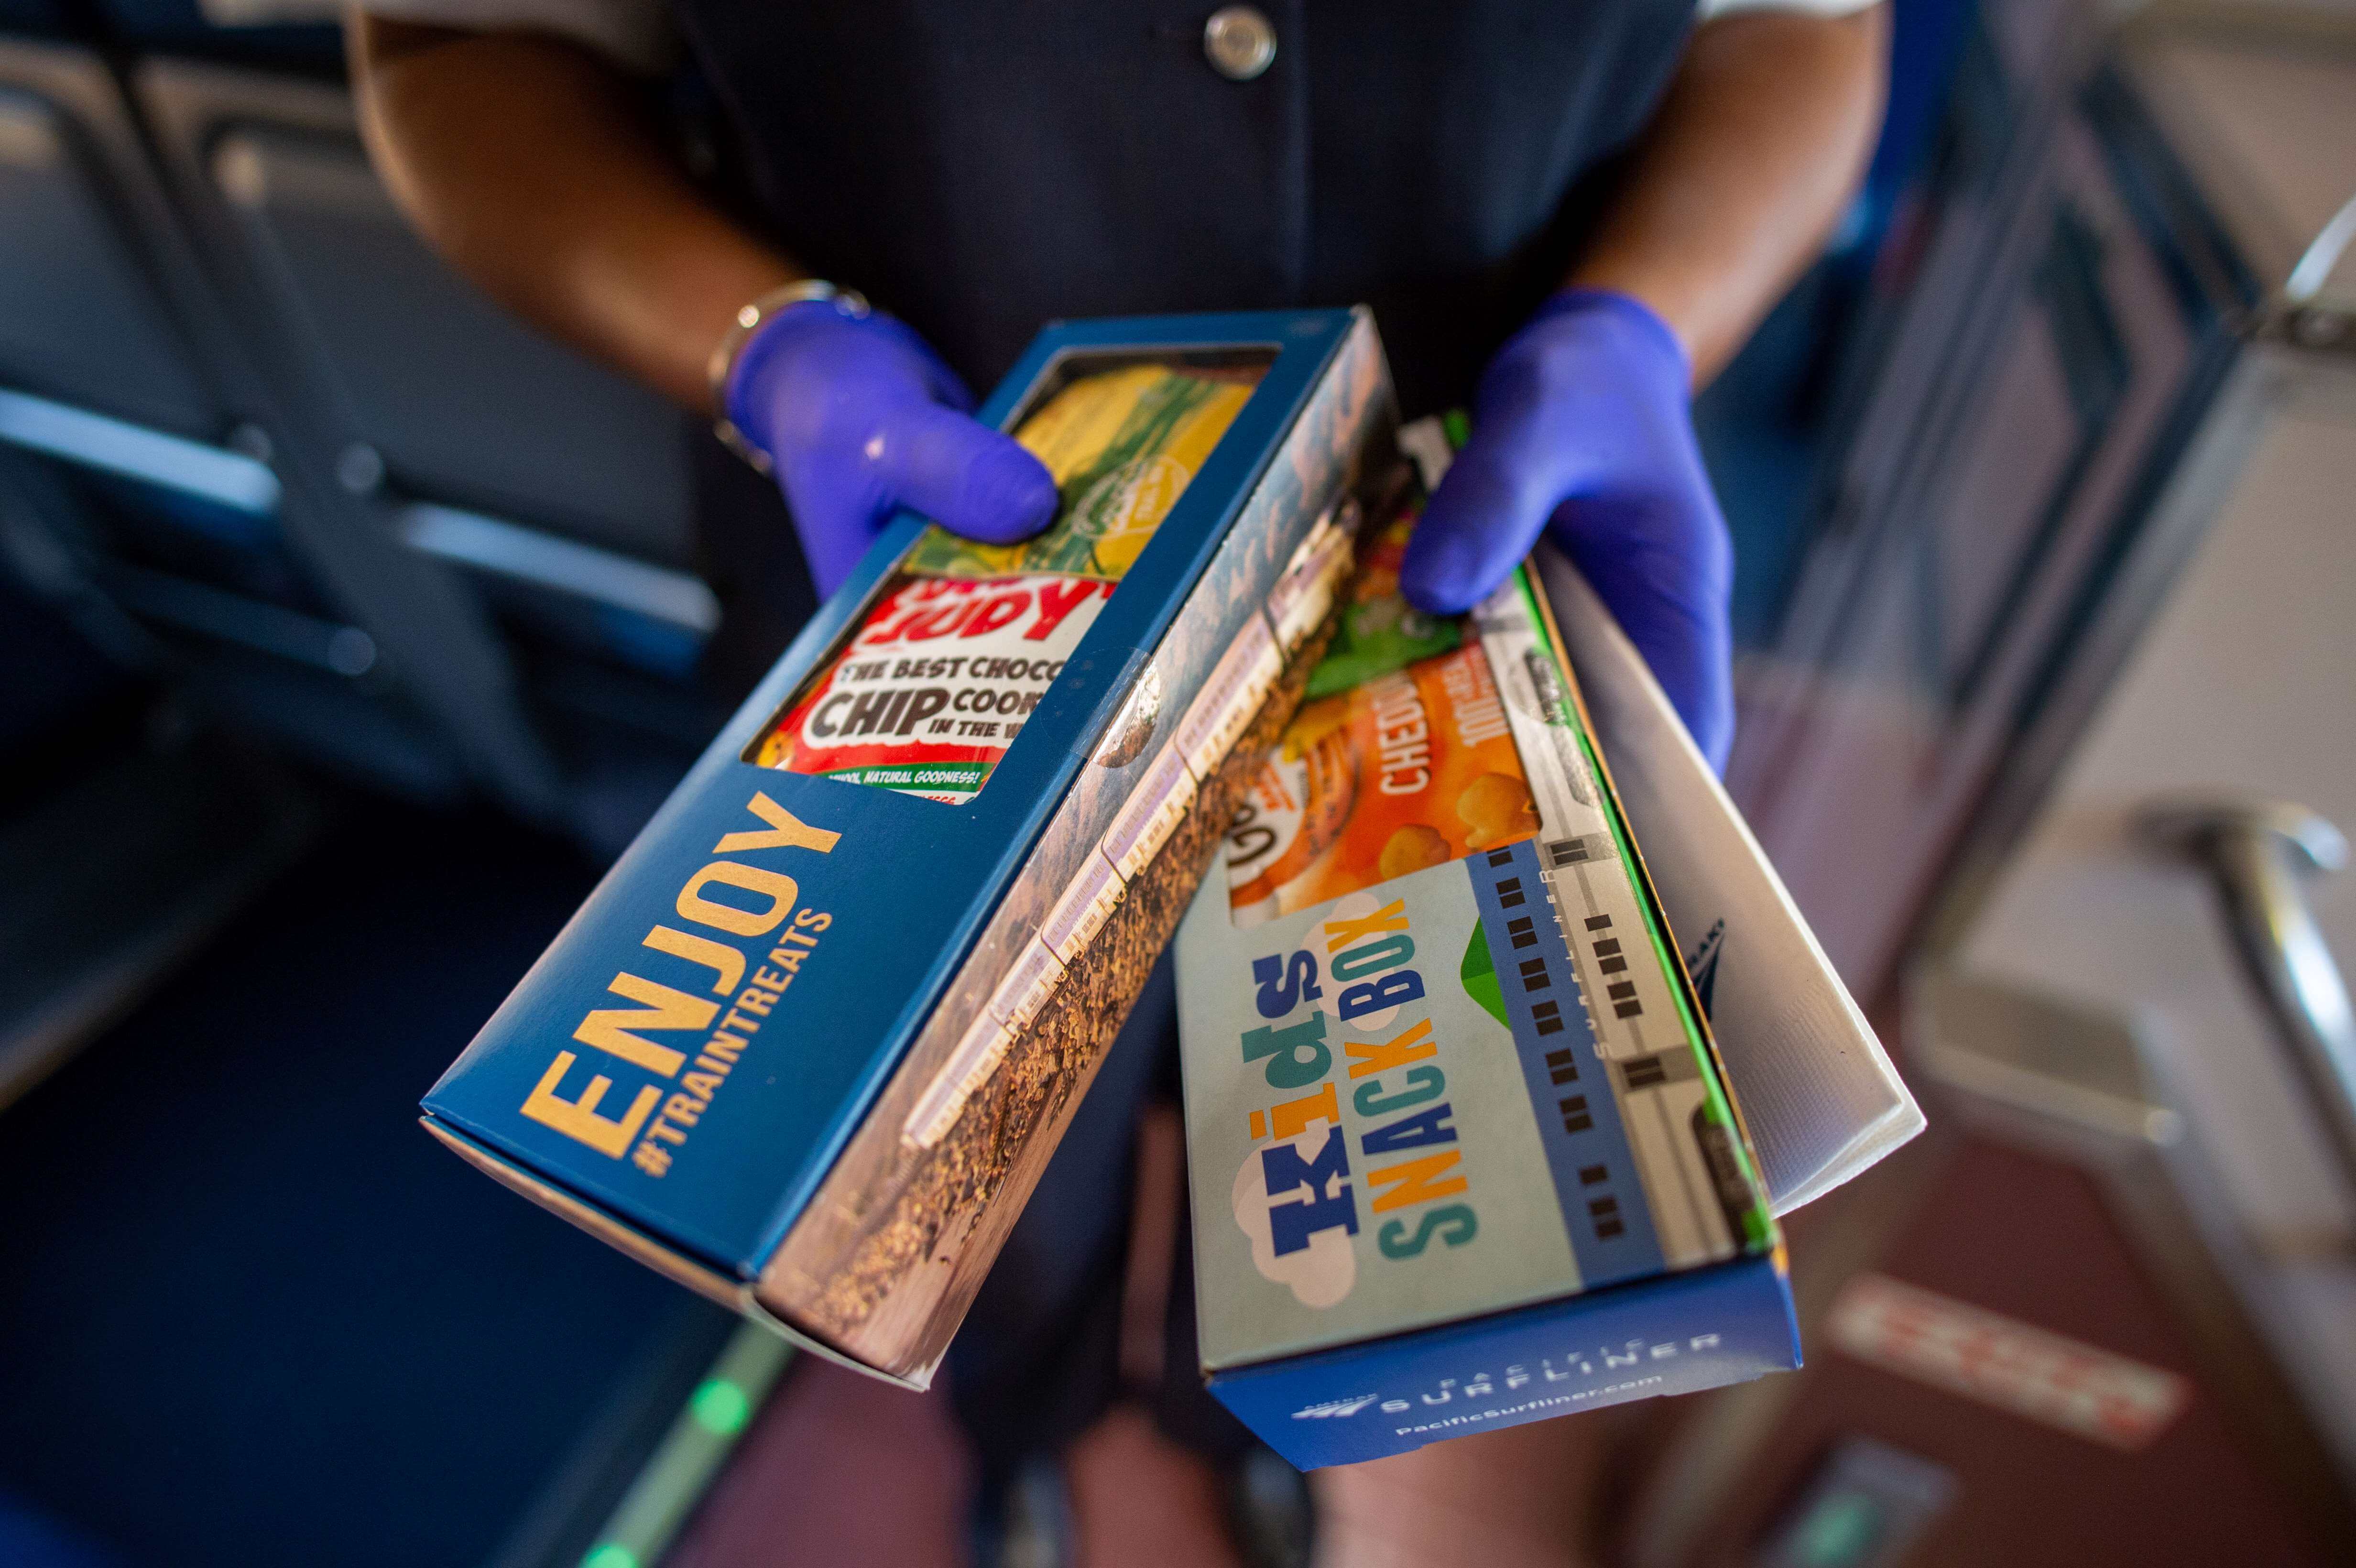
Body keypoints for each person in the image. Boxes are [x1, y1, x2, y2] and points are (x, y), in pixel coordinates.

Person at [350, 2, 1885, 1560]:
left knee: (1342, 1130)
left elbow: (1807, 28)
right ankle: (1024, 1424)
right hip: (947, 570)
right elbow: (449, 48)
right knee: (980, 1158)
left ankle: (1259, 1414)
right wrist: (765, 345)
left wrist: (1645, 325)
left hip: (1432, 566)